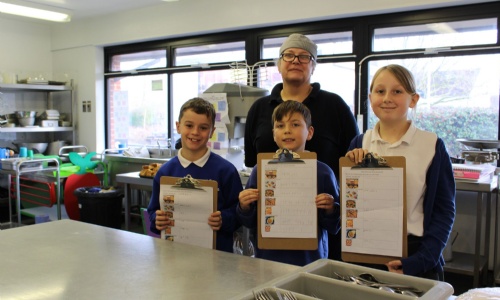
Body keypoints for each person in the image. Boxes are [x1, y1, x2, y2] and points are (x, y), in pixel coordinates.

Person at [244, 33, 359, 260]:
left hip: (318, 231)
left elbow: (353, 162)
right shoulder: (259, 108)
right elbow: (252, 162)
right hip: (272, 227)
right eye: (288, 55)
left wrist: (333, 209)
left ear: (313, 66)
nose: (295, 60)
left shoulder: (334, 105)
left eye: (304, 57)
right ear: (279, 64)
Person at [345, 64, 455, 280]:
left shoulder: (431, 145)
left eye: (397, 91)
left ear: (413, 100)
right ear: (370, 97)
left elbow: (444, 211)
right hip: (365, 253)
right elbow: (350, 204)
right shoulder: (360, 143)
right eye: (380, 91)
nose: (387, 98)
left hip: (415, 257)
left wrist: (422, 259)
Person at [237, 100, 340, 266]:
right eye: (280, 126)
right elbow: (249, 221)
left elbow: (335, 225)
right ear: (273, 134)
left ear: (310, 132)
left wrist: (330, 209)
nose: (287, 131)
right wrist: (245, 205)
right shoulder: (261, 169)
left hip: (310, 259)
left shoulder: (323, 172)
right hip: (268, 258)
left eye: (295, 124)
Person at [147, 97, 243, 253]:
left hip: (217, 257)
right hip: (175, 254)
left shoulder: (226, 171)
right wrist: (156, 220)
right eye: (189, 125)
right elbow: (153, 211)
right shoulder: (165, 173)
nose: (195, 132)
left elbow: (239, 213)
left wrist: (223, 219)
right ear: (178, 127)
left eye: (203, 128)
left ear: (212, 132)